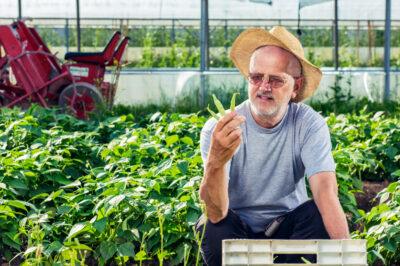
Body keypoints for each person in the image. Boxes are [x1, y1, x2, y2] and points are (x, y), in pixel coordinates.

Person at [196, 26, 350, 265]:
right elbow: (216, 213)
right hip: (237, 227)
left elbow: (325, 193)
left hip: (287, 227)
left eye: (276, 80)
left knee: (317, 215)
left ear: (295, 87)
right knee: (212, 225)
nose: (264, 87)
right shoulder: (220, 128)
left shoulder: (308, 124)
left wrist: (348, 257)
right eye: (256, 77)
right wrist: (216, 160)